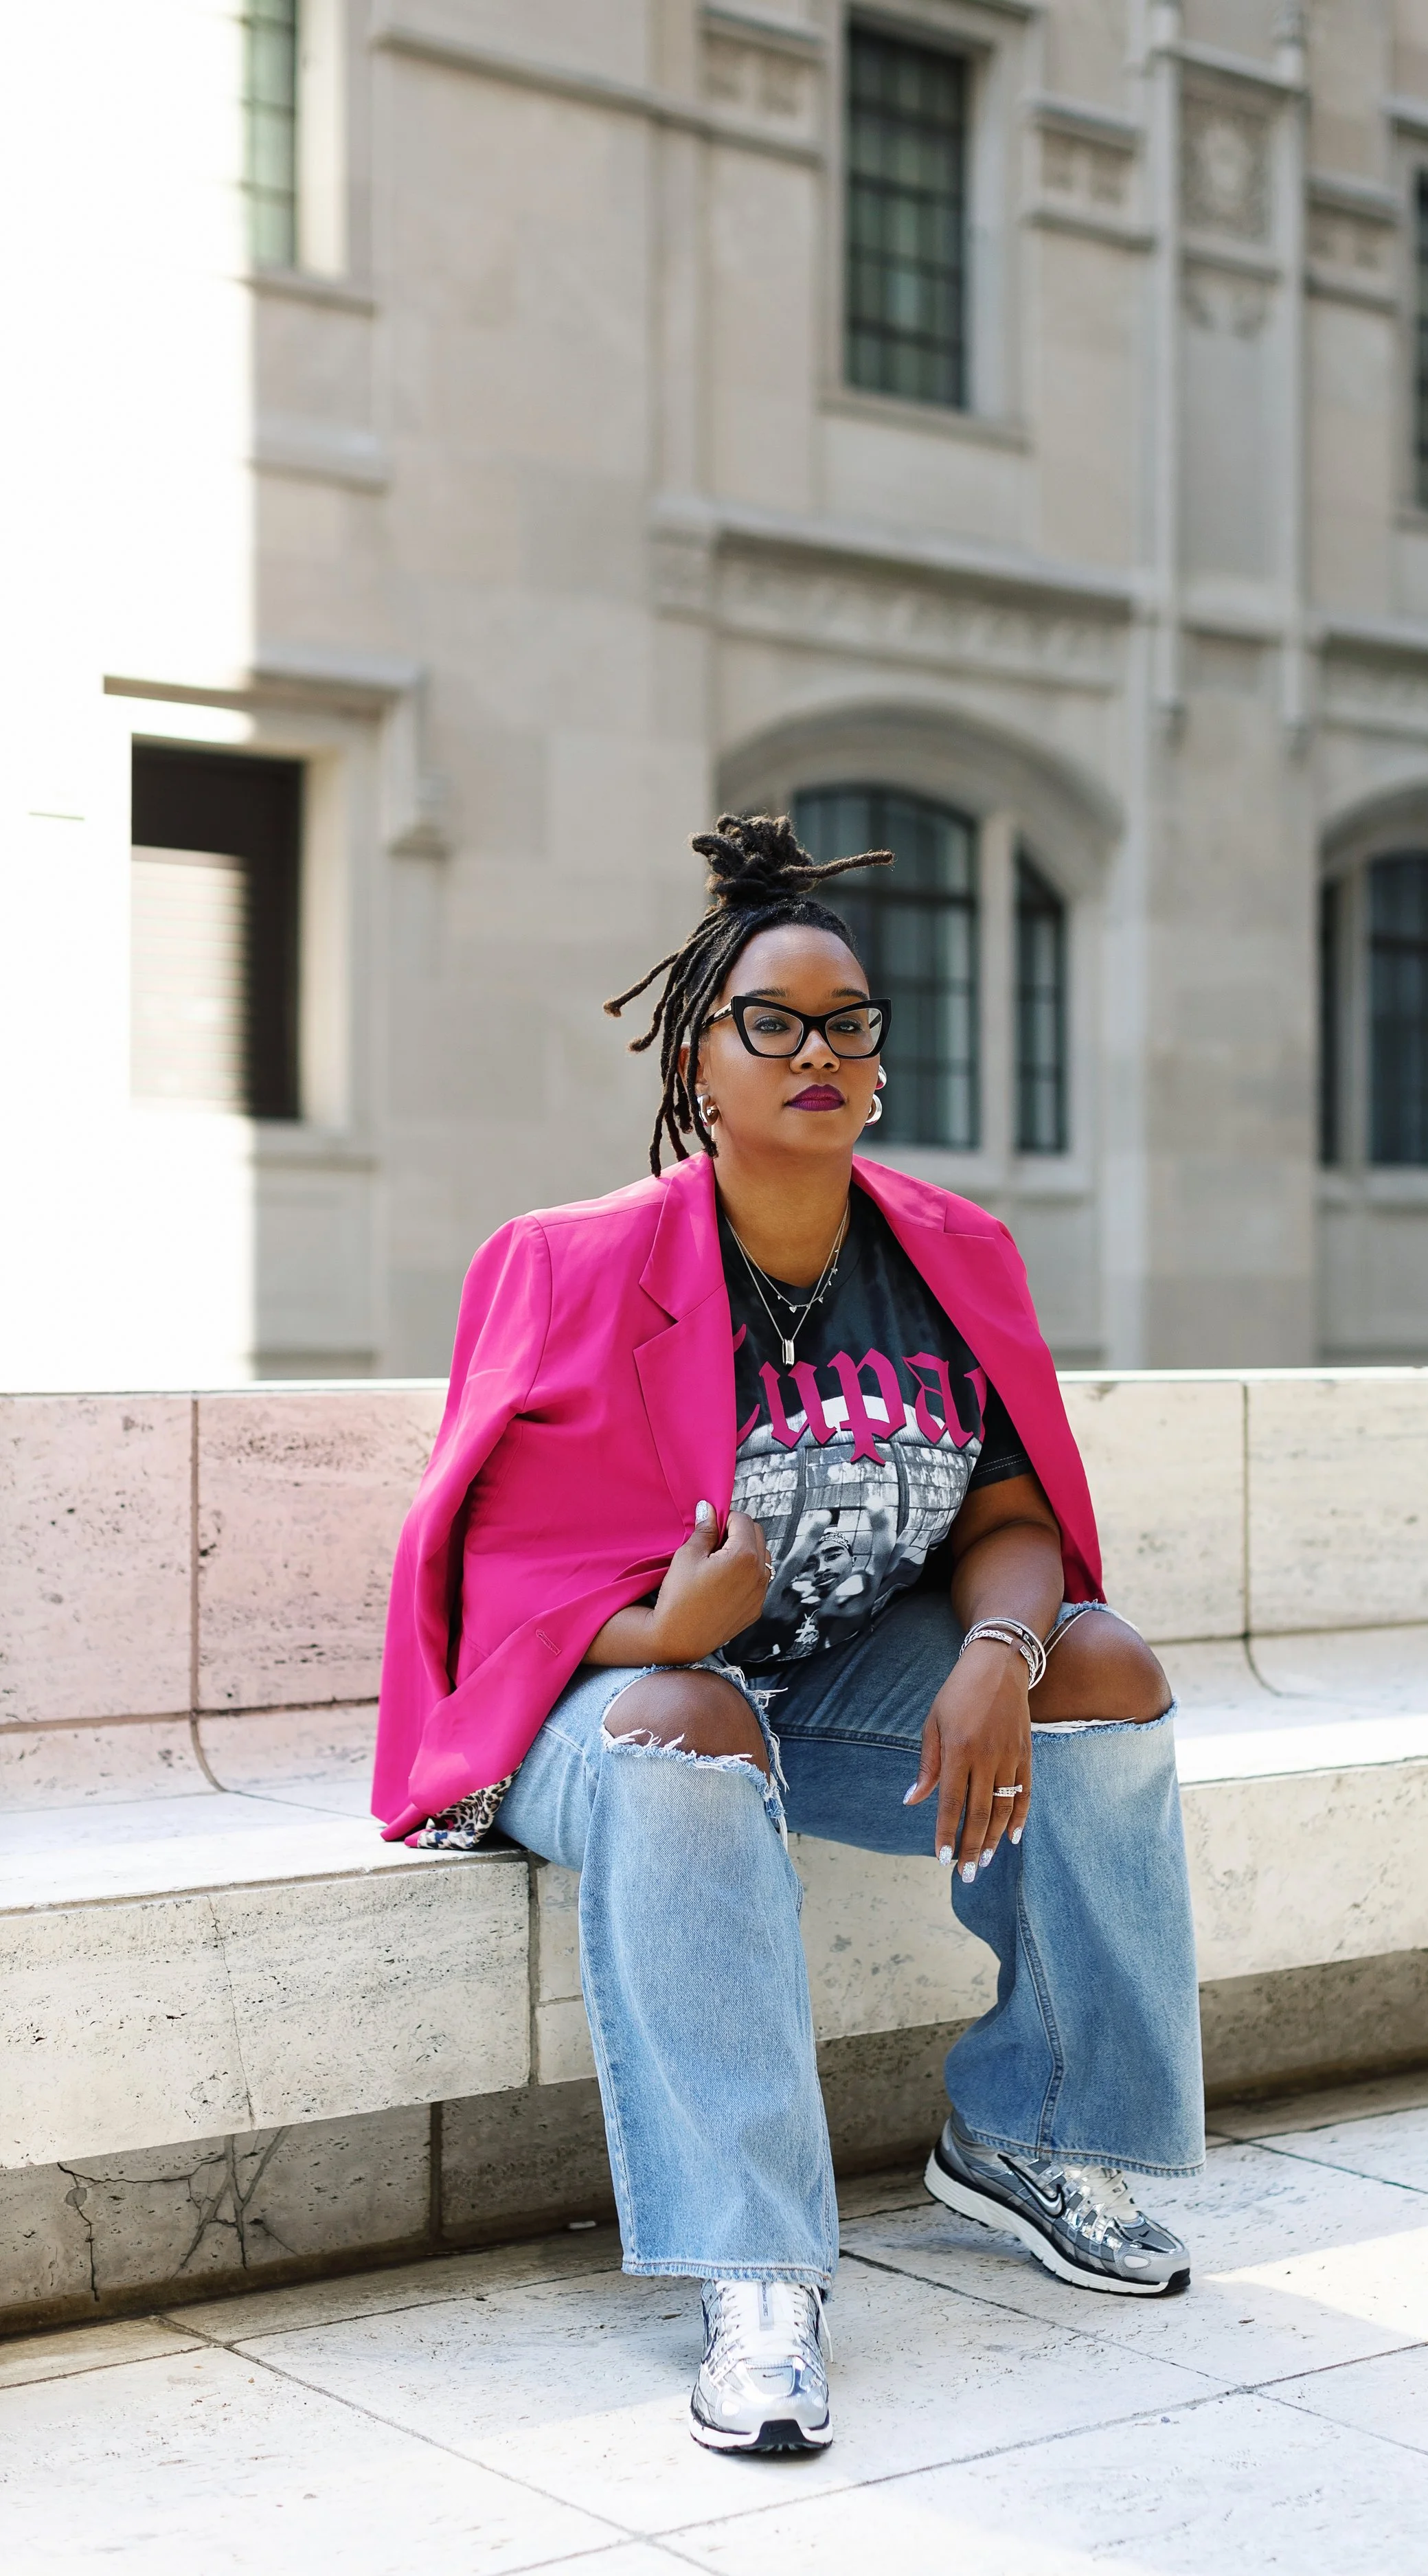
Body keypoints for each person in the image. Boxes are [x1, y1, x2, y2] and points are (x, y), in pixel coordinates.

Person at [374, 814, 1205, 2456]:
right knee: (696, 1727)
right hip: (605, 1709)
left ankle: (1027, 2132)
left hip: (821, 1688)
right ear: (700, 1055)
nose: (814, 1050)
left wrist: (998, 1657)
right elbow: (472, 1582)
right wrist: (659, 1626)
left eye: (847, 1023)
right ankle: (754, 2269)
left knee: (1101, 1675)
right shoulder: (568, 1265)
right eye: (771, 1021)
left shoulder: (948, 1254)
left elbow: (1005, 1518)